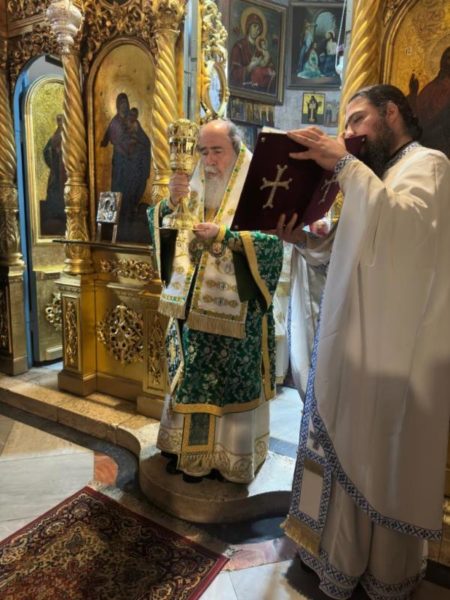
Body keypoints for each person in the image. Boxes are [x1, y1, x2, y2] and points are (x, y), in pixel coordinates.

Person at [275, 84, 450, 598]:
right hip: (352, 345)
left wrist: (345, 166)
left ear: (391, 112)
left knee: (375, 455)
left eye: (357, 119)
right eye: (346, 124)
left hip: (391, 354)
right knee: (338, 442)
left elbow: (407, 234)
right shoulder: (377, 175)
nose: (349, 132)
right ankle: (333, 556)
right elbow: (347, 249)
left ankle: (375, 569)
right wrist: (301, 239)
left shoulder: (429, 165)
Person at [147, 119, 283, 484]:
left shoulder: (258, 189)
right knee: (191, 380)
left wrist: (226, 236)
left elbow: (274, 246)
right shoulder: (193, 186)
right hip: (190, 310)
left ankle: (228, 458)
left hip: (237, 314)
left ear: (236, 150)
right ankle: (186, 452)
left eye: (217, 151)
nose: (208, 160)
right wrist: (170, 203)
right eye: (203, 151)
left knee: (226, 387)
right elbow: (163, 228)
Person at [101, 94, 151, 243]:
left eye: (125, 103)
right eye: (121, 103)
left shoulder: (134, 121)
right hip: (121, 165)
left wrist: (139, 144)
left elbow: (144, 140)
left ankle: (130, 221)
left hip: (133, 165)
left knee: (132, 191)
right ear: (117, 105)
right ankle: (118, 229)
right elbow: (115, 140)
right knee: (120, 192)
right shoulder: (115, 122)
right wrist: (129, 147)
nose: (124, 106)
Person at [407, 46, 450, 157]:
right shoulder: (432, 87)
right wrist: (413, 93)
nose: (449, 62)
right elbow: (417, 114)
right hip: (429, 143)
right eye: (447, 58)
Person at [230, 12, 275, 93]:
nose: (257, 31)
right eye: (254, 26)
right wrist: (250, 67)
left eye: (259, 29)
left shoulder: (261, 49)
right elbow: (234, 74)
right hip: (243, 91)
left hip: (260, 90)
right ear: (248, 26)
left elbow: (272, 70)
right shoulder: (239, 47)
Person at [40, 113, 66, 236]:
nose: (59, 122)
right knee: (53, 189)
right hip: (56, 170)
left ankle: (63, 214)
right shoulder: (54, 135)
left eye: (61, 120)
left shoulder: (68, 134)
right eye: (58, 120)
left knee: (63, 189)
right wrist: (53, 154)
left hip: (64, 170)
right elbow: (46, 151)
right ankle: (55, 213)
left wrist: (61, 152)